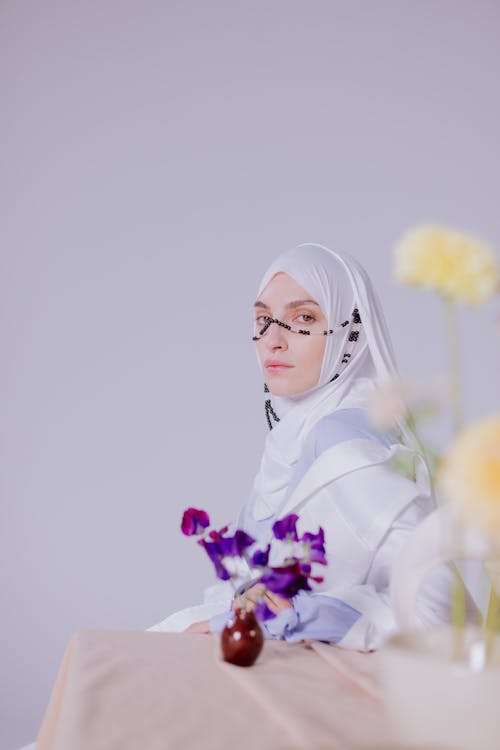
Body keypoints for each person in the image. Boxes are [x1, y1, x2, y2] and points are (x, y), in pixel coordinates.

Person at [149, 243, 455, 650]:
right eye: (262, 320)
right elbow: (250, 589)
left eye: (303, 318)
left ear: (352, 332)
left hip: (333, 691)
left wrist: (297, 618)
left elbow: (438, 609)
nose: (272, 340)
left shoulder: (345, 439)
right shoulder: (290, 440)